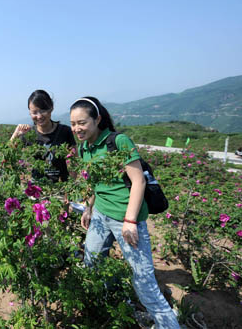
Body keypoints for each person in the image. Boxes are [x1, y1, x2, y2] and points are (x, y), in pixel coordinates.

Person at [70, 97, 180, 329]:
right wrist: (89, 207)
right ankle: (119, 307)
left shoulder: (118, 141)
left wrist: (130, 221)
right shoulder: (84, 147)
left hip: (126, 219)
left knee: (144, 281)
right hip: (100, 214)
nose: (77, 128)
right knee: (92, 263)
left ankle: (168, 325)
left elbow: (138, 181)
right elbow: (93, 182)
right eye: (73, 124)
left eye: (82, 122)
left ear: (97, 119)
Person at [10, 89, 76, 182]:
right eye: (34, 112)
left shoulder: (65, 131)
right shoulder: (29, 134)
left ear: (51, 108)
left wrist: (70, 188)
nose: (39, 116)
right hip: (37, 190)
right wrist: (15, 134)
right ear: (30, 113)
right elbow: (7, 157)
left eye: (43, 110)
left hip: (62, 187)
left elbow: (73, 162)